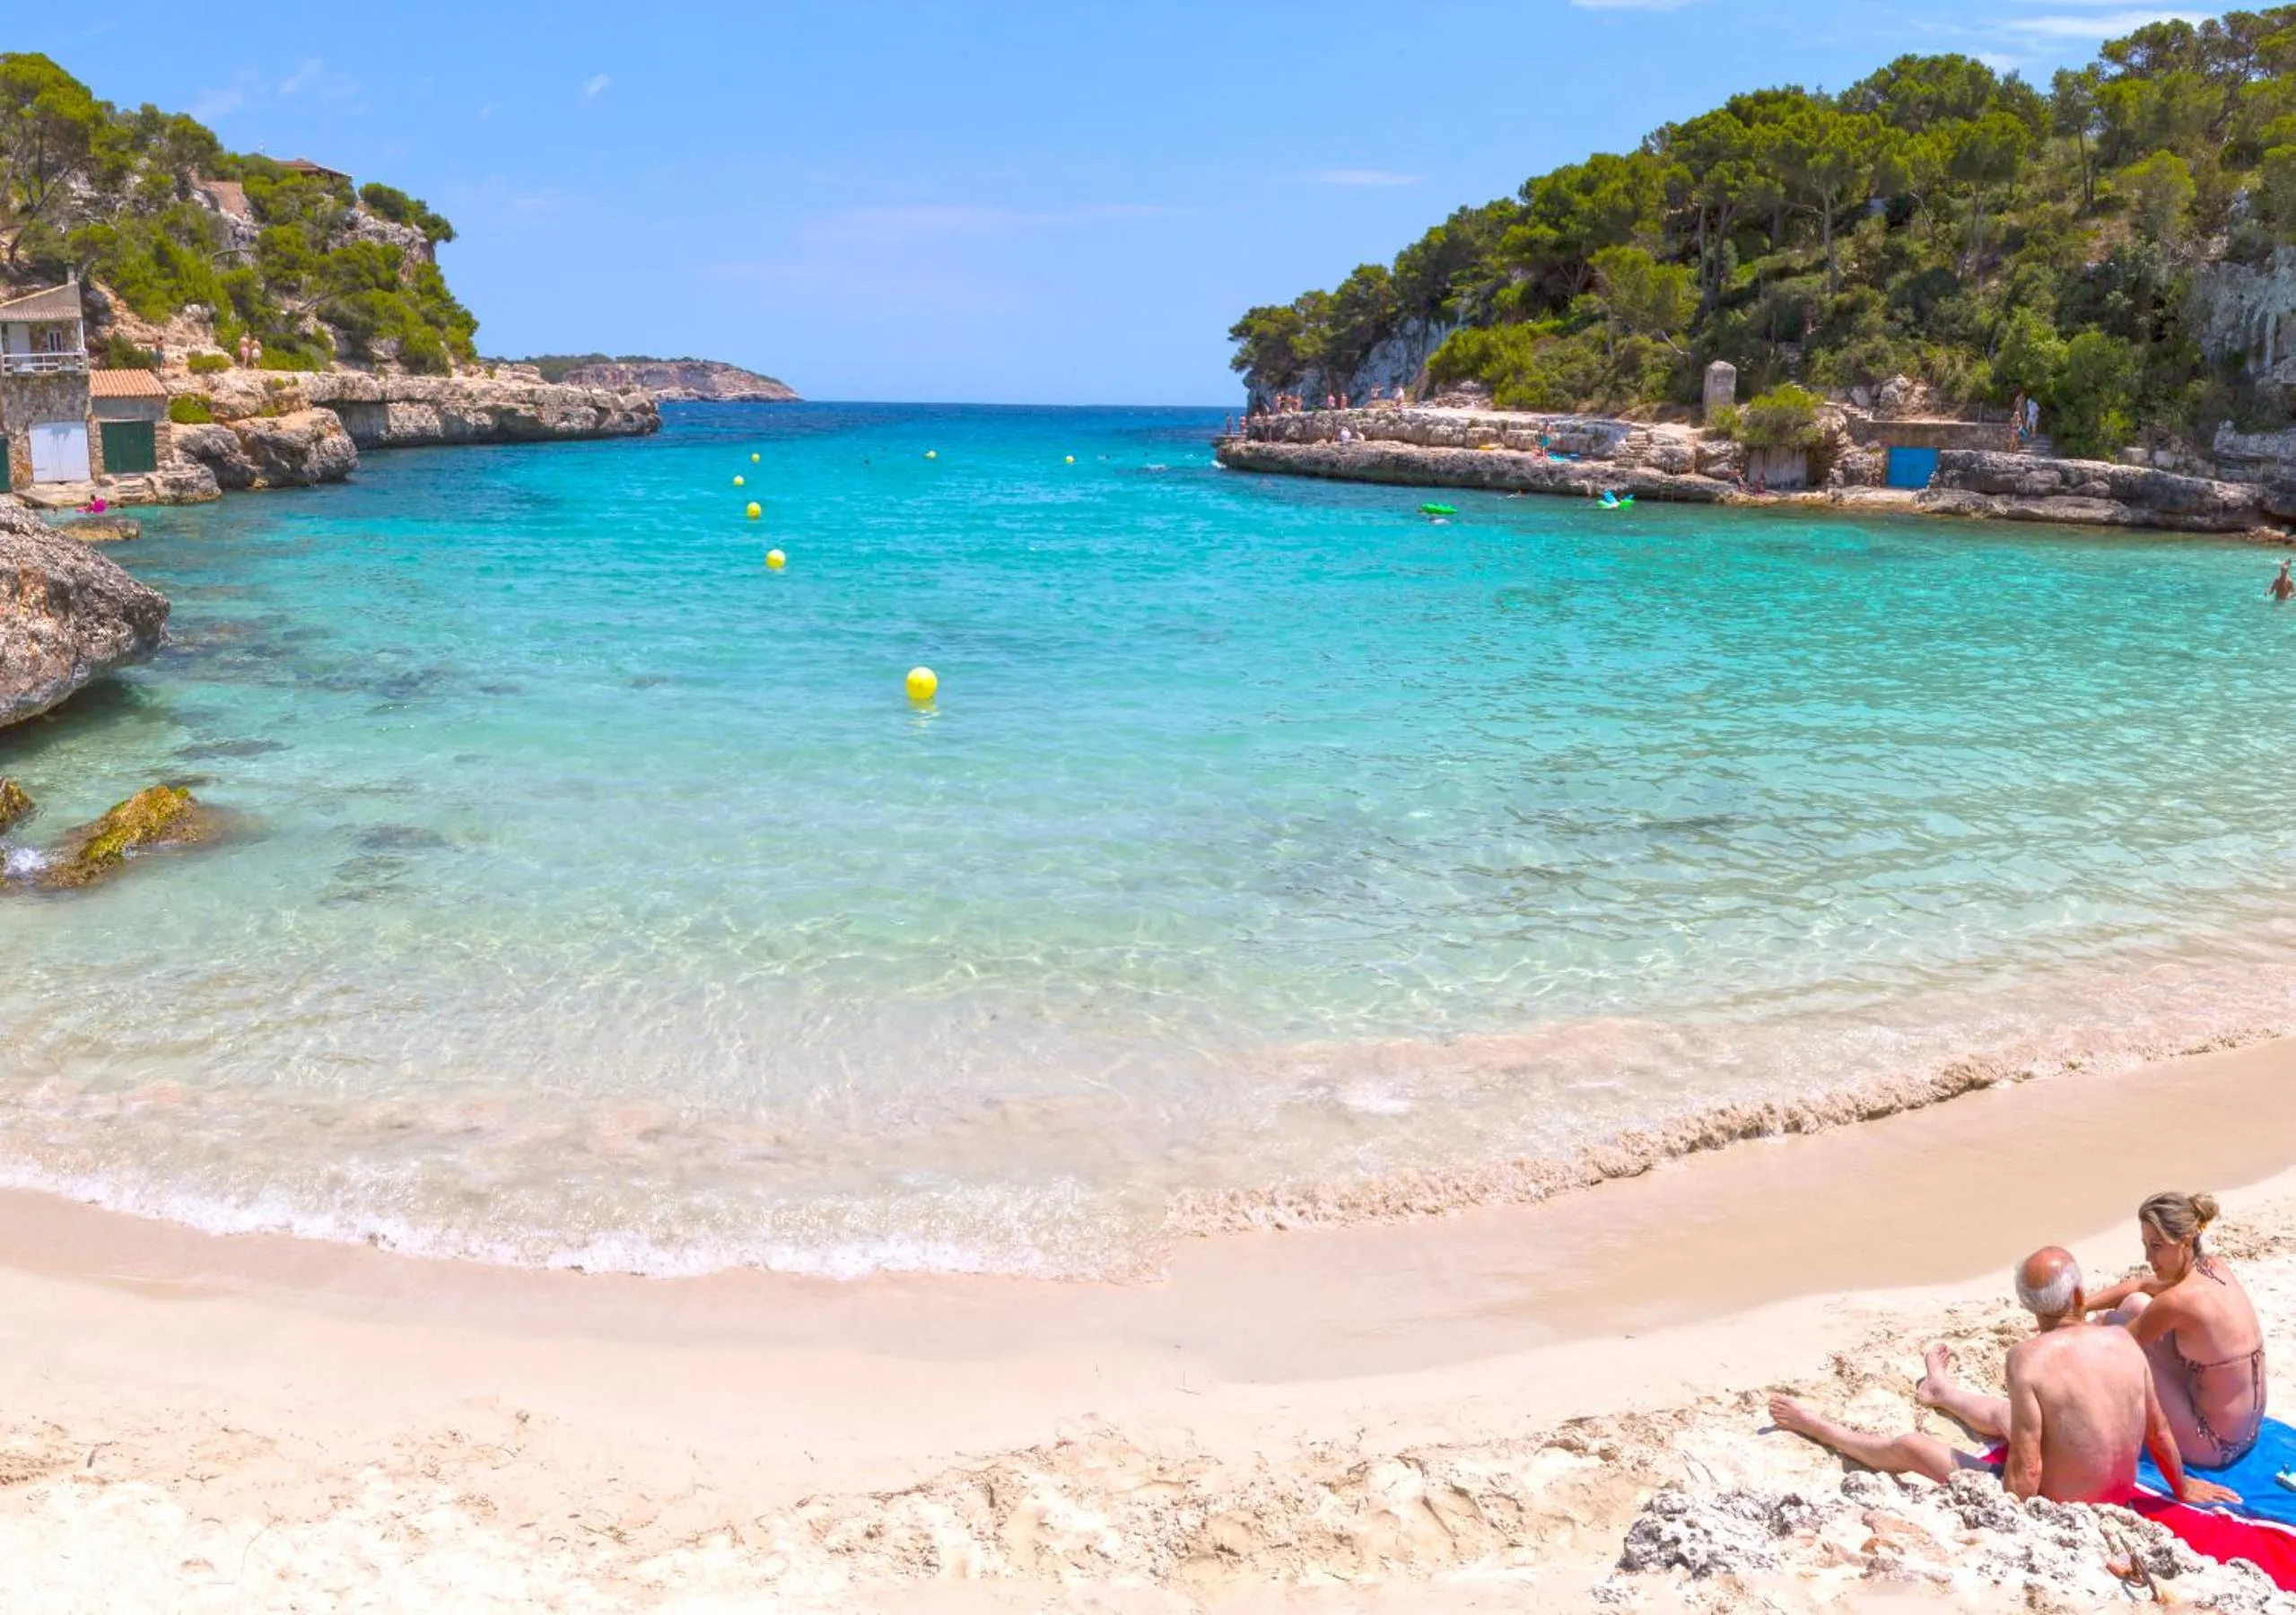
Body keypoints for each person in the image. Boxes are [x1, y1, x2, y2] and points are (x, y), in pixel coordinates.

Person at [1771, 1247, 2238, 1506]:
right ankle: (1942, 1390)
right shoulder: (2121, 1341)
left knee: (1913, 1446)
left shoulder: (2026, 1357)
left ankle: (1821, 1428)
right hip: (2120, 1487)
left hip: (2063, 1501)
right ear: (2078, 1293)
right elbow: (2156, 1430)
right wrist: (2183, 1487)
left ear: (2028, 1306)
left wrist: (2011, 1506)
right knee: (2004, 1412)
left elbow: (2028, 1468)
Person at [2079, 1192, 2268, 1470]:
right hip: (2249, 1435)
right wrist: (2081, 1307)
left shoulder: (2178, 1301)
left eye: (2157, 1246)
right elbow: (2142, 1286)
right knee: (2135, 1305)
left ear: (2186, 1241)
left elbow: (2112, 1352)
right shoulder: (2215, 1267)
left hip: (2213, 1445)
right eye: (2145, 1245)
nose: (2148, 1257)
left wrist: (2071, 1328)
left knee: (2112, 1325)